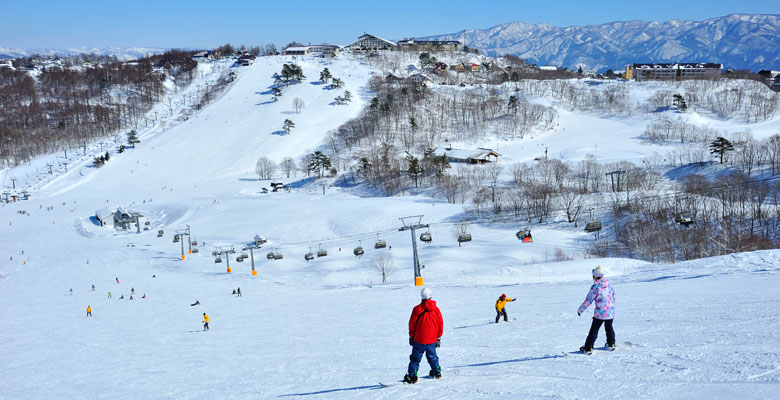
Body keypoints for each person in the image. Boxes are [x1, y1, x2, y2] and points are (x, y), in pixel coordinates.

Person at [404, 287, 443, 384]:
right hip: (432, 340)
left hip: (419, 340)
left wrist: (411, 336)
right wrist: (438, 337)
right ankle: (436, 371)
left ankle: (412, 376)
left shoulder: (417, 309)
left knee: (415, 359)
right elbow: (440, 324)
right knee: (432, 357)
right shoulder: (436, 310)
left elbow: (412, 324)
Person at [577, 265, 616, 354]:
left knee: (594, 330)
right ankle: (611, 344)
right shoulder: (609, 284)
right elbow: (613, 296)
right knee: (609, 328)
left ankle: (588, 348)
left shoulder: (595, 287)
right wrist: (611, 307)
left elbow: (588, 300)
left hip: (600, 313)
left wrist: (580, 310)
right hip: (610, 312)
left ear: (595, 276)